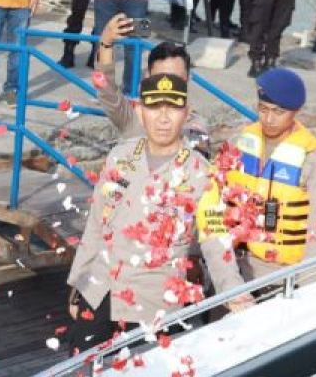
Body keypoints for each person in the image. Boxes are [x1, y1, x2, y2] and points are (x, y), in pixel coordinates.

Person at [67, 74, 249, 348]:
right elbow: (96, 223)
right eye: (154, 108)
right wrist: (78, 282)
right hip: (101, 290)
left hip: (153, 304)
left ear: (186, 114)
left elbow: (215, 240)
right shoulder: (120, 156)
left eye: (173, 109)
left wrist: (235, 294)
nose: (163, 119)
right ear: (140, 111)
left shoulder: (201, 173)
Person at [210, 68, 316, 282]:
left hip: (280, 275)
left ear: (296, 111)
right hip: (234, 265)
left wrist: (309, 286)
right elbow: (212, 197)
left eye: (278, 112)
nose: (268, 119)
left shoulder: (313, 159)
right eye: (263, 109)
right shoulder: (239, 142)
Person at [94, 25, 210, 153]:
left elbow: (199, 157)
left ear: (187, 79)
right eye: (160, 77)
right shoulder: (134, 116)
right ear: (147, 76)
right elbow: (106, 88)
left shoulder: (195, 124)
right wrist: (106, 42)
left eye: (176, 79)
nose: (168, 85)